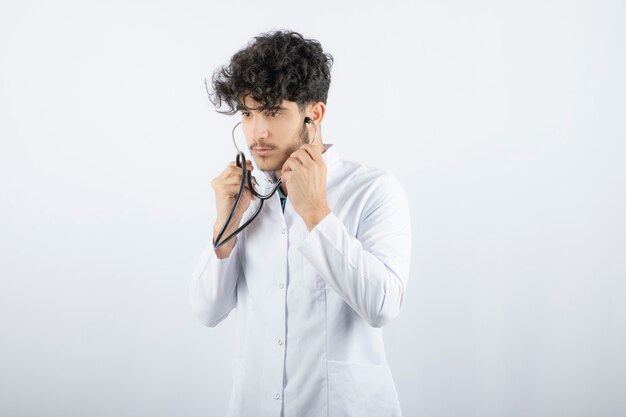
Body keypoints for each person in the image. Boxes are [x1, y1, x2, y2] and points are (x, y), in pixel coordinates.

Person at [189, 30, 412, 417]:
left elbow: (382, 306)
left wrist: (316, 214)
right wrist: (225, 227)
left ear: (315, 113)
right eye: (248, 113)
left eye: (273, 112)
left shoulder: (374, 190)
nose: (256, 133)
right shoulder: (246, 196)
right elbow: (208, 311)